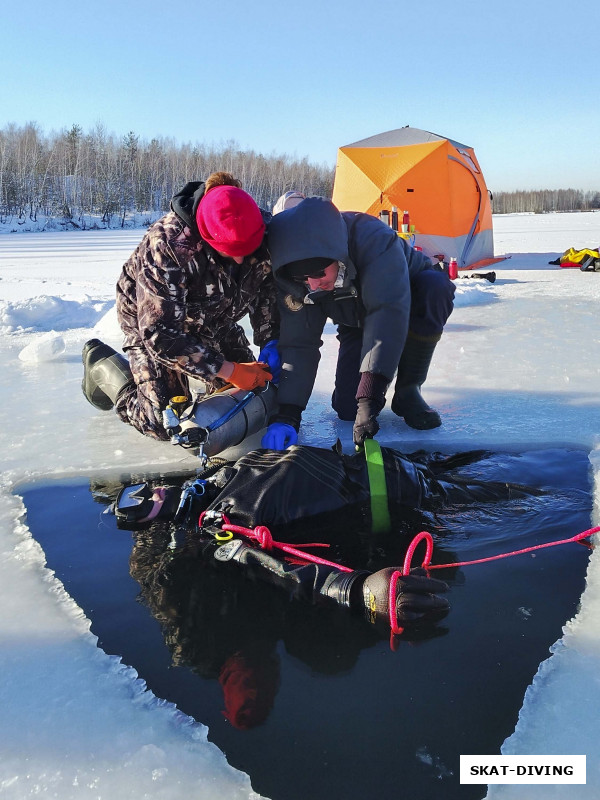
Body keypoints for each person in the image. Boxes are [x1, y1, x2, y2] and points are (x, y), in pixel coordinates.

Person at [113, 444, 539, 633]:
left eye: (145, 488)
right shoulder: (219, 530)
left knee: (523, 455)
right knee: (540, 498)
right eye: (142, 504)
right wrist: (358, 591)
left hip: (394, 463)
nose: (154, 492)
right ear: (151, 522)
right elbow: (280, 570)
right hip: (408, 497)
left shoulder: (214, 478)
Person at [82, 172, 281, 441]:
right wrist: (231, 370)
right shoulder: (169, 245)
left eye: (248, 249)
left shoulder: (263, 228)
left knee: (251, 393)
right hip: (155, 323)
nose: (240, 257)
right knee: (166, 421)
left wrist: (271, 340)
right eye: (230, 251)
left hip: (216, 317)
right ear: (209, 238)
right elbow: (161, 335)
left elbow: (266, 290)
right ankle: (104, 369)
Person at [262, 197, 456, 449]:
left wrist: (370, 399)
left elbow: (387, 314)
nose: (312, 284)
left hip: (405, 306)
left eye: (320, 273)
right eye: (303, 277)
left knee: (435, 288)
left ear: (337, 257)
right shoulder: (299, 280)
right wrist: (288, 414)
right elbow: (300, 345)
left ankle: (409, 390)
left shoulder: (375, 241)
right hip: (354, 319)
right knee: (347, 409)